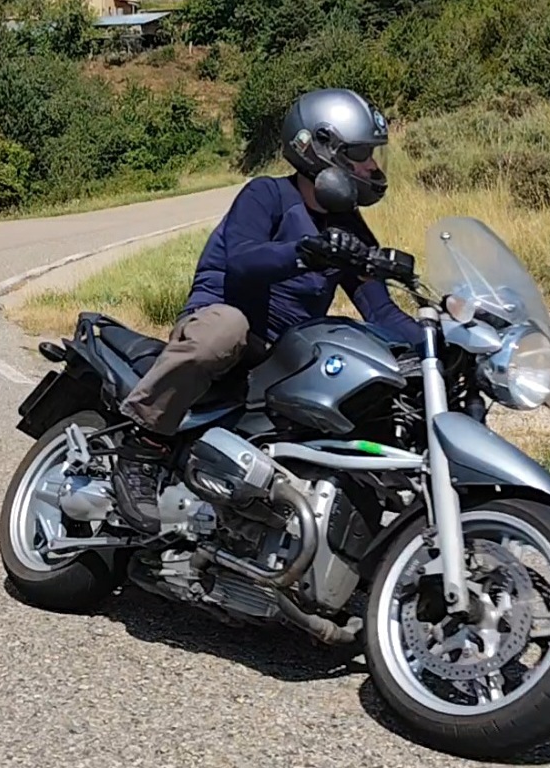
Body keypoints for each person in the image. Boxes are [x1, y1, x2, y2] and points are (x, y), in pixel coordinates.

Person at [113, 87, 425, 534]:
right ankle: (143, 446)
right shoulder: (267, 195)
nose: (372, 167)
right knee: (226, 330)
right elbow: (243, 260)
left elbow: (382, 313)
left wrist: (439, 340)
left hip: (279, 355)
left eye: (373, 155)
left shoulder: (349, 229)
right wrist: (305, 252)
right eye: (360, 155)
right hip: (223, 321)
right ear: (318, 149)